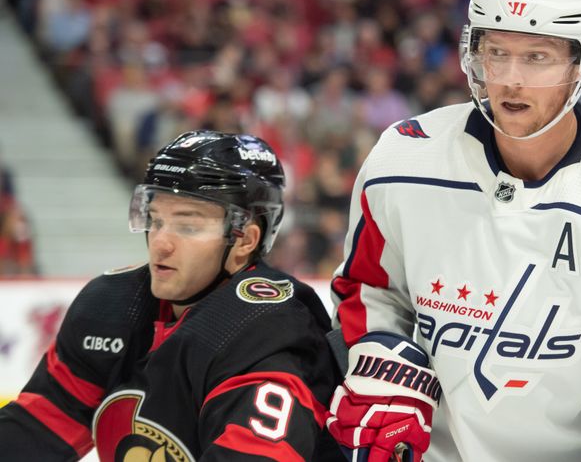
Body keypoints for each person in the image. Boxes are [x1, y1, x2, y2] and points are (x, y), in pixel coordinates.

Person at [325, 0, 581, 462]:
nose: (510, 79)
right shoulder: (401, 161)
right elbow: (367, 291)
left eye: (538, 57)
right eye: (496, 52)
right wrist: (379, 364)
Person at [0, 130, 343, 461]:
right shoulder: (110, 306)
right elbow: (39, 425)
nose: (160, 242)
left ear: (244, 240)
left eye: (188, 225)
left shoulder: (273, 333)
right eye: (155, 219)